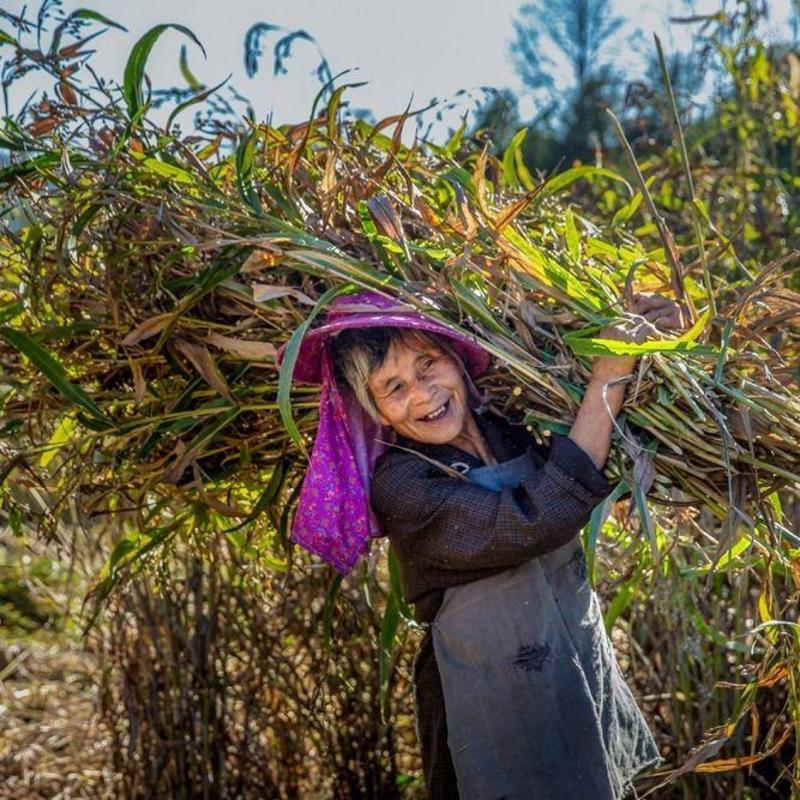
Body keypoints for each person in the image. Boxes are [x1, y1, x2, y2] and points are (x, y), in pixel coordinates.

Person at [276, 289, 684, 799]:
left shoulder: (514, 425)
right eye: (394, 387)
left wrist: (660, 344)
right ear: (375, 410)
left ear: (456, 357)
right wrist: (608, 376)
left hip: (571, 667)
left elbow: (626, 431)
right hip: (488, 700)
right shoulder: (402, 482)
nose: (423, 394)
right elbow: (534, 519)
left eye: (428, 364)